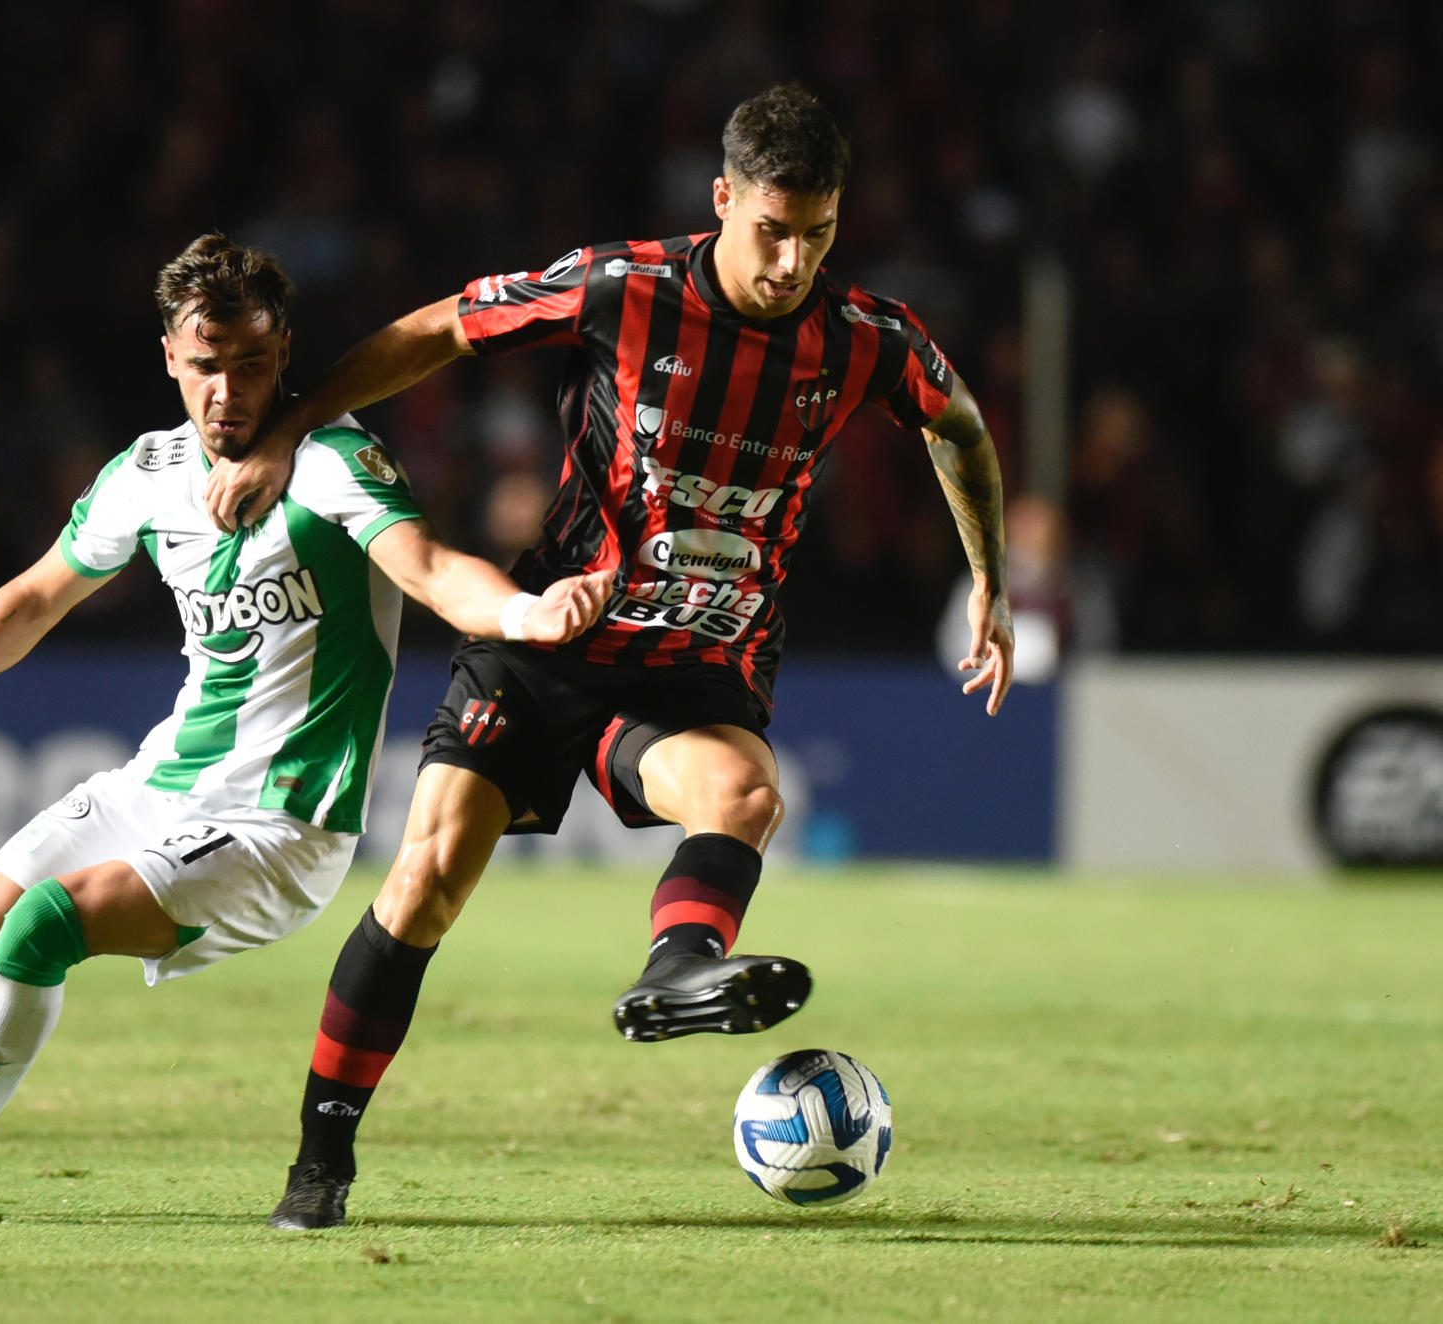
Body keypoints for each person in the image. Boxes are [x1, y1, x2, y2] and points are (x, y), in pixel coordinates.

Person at [201, 83, 1016, 1229]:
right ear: (724, 198)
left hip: (697, 669)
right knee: (426, 882)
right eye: (772, 231)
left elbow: (960, 423)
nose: (791, 262)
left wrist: (988, 575)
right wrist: (287, 431)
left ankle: (680, 965)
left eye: (818, 235)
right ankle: (320, 1162)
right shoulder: (622, 286)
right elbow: (437, 327)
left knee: (743, 792)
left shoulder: (866, 341)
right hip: (554, 631)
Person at [0, 234, 612, 1225]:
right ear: (169, 358)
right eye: (207, 365)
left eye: (252, 363)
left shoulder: (335, 463)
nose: (228, 390)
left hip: (285, 823)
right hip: (164, 783)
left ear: (283, 355)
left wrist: (528, 613)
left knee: (48, 921)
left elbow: (433, 570)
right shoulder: (149, 471)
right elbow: (31, 599)